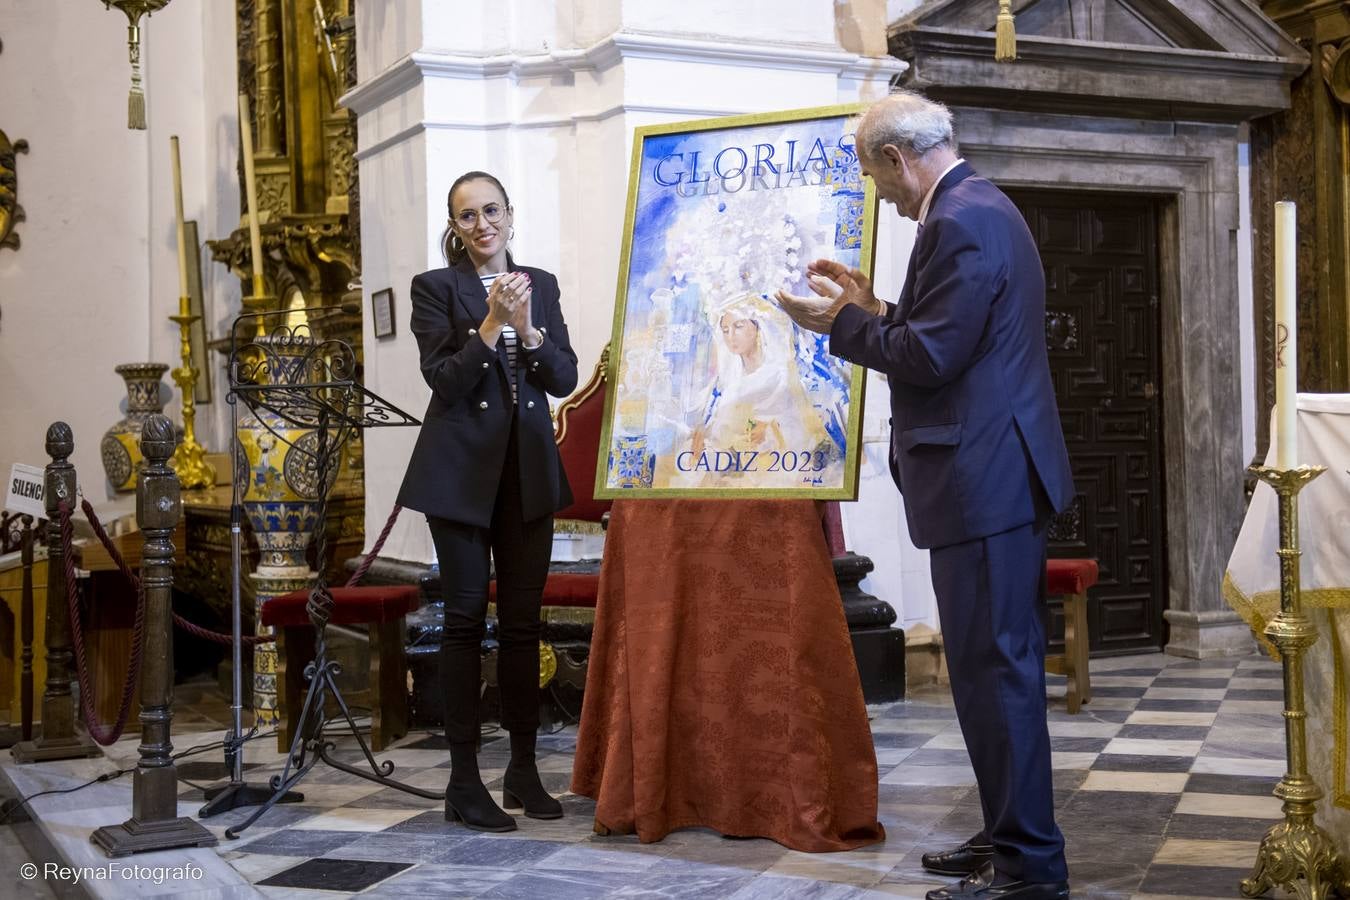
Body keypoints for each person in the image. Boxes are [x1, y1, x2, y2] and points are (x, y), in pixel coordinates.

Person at [776, 91, 1074, 900]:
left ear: (898, 159)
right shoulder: (981, 206)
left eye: (877, 176)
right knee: (986, 673)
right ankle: (1010, 833)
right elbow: (947, 335)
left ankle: (1029, 871)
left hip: (985, 481)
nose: (880, 194)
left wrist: (838, 324)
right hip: (989, 476)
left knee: (994, 674)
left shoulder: (961, 219)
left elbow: (933, 357)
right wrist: (873, 307)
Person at [397, 170, 579, 833]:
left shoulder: (543, 285)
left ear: (510, 213)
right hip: (460, 477)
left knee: (525, 623)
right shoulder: (435, 289)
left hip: (527, 473)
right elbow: (444, 381)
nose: (482, 224)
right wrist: (492, 322)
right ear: (456, 227)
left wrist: (527, 328)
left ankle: (524, 767)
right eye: (467, 215)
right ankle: (465, 779)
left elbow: (564, 376)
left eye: (491, 210)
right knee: (468, 618)